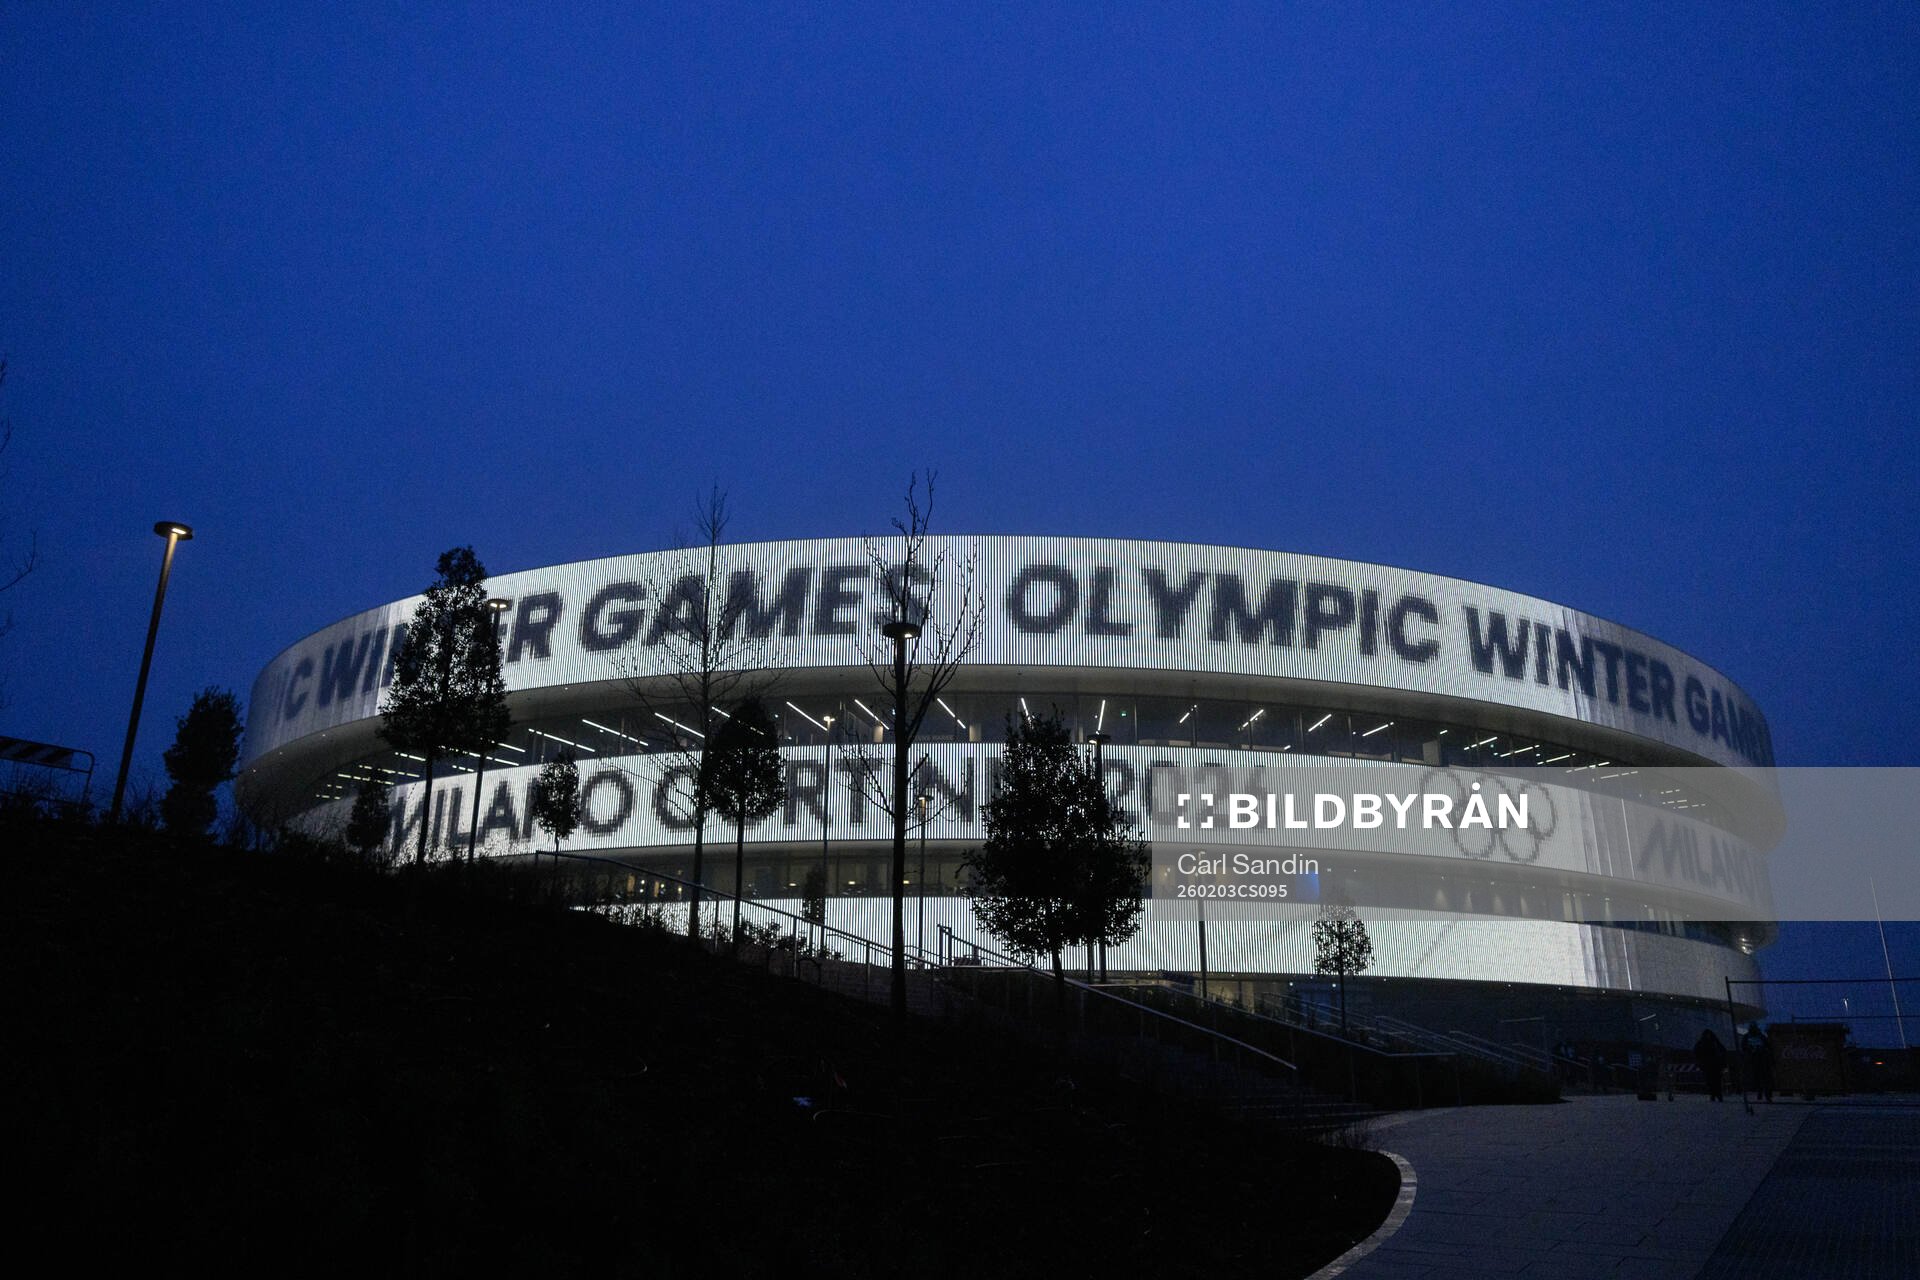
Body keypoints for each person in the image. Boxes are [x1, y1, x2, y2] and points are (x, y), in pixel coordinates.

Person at [1742, 1022, 1775, 1102]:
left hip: (1760, 1060)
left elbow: (1768, 1046)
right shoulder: (1755, 1036)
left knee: (1763, 1077)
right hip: (1755, 1060)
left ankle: (1765, 1094)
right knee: (1760, 1077)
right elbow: (1744, 1047)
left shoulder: (1758, 1036)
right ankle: (1762, 1093)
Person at [1694, 1028, 1728, 1101]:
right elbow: (1696, 1052)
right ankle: (1715, 1094)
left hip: (1713, 1064)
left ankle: (1716, 1094)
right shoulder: (1709, 1042)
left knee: (1715, 1080)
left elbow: (1696, 1052)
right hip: (1710, 1064)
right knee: (1712, 1080)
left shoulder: (1710, 1042)